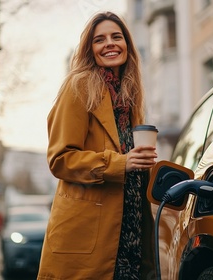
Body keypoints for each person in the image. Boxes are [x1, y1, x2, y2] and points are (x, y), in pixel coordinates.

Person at [37, 11, 157, 280]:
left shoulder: (130, 97)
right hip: (90, 234)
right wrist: (120, 163)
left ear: (127, 44)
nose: (110, 44)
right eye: (99, 40)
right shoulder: (79, 86)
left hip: (131, 229)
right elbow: (60, 159)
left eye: (117, 37)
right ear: (90, 50)